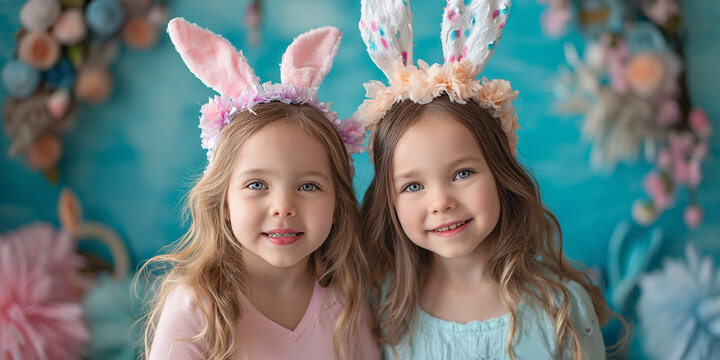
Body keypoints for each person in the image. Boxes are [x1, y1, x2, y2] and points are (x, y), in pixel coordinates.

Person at [354, 1, 617, 359]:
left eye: (462, 173)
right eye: (413, 186)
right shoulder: (383, 307)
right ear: (389, 199)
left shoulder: (560, 309)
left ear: (500, 173)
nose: (441, 202)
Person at [139, 18, 379, 360]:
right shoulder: (199, 308)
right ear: (224, 201)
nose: (283, 206)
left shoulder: (347, 303)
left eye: (308, 185)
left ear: (338, 203)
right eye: (256, 184)